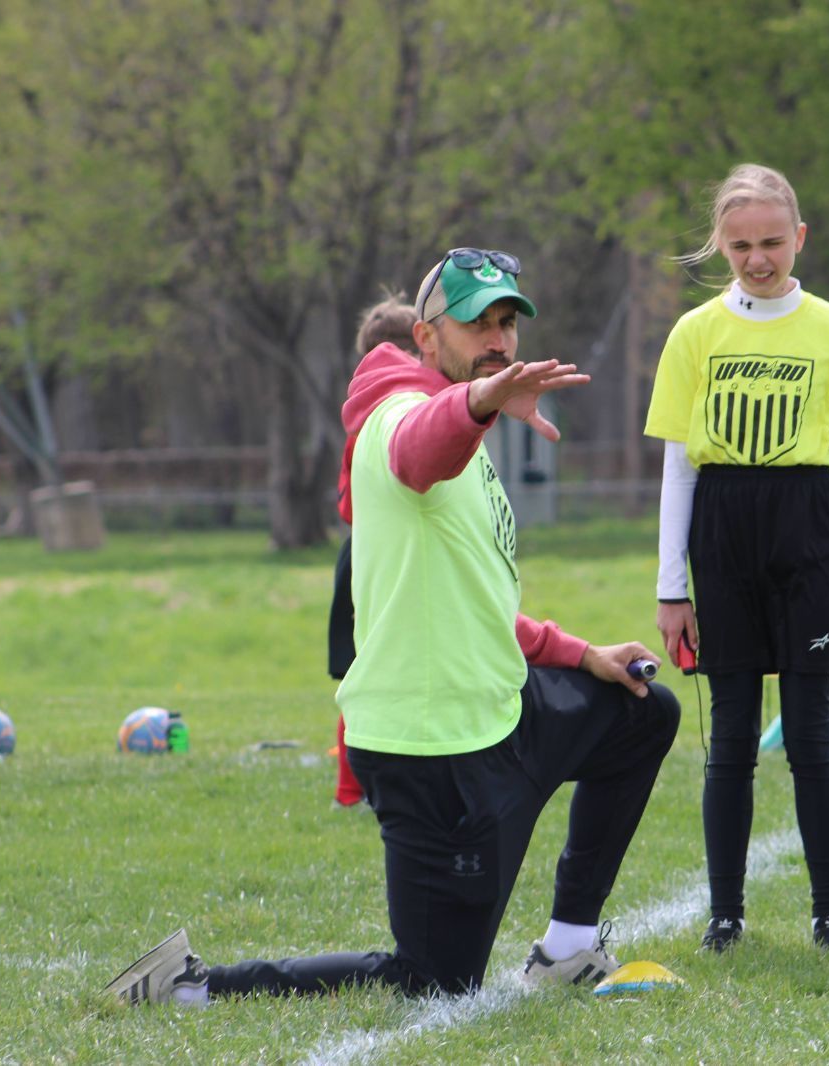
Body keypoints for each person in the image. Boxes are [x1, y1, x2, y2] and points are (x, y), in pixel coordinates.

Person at [108, 248, 681, 1006]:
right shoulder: (395, 416)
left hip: (502, 710)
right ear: (425, 336)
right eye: (477, 323)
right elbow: (419, 449)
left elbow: (476, 605)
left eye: (507, 322)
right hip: (432, 751)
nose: (499, 340)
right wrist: (477, 406)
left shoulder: (465, 429)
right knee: (438, 982)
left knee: (640, 714)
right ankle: (189, 989)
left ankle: (568, 949)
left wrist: (585, 655)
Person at [644, 163, 829, 952]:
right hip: (722, 532)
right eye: (742, 243)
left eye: (772, 242)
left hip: (805, 528)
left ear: (799, 239)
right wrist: (670, 588)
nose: (757, 258)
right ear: (721, 243)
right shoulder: (694, 334)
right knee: (731, 740)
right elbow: (678, 470)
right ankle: (727, 915)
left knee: (811, 735)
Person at [328, 295, 423, 809]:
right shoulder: (376, 420)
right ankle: (350, 789)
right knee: (364, 674)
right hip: (371, 557)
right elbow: (347, 505)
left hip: (387, 554)